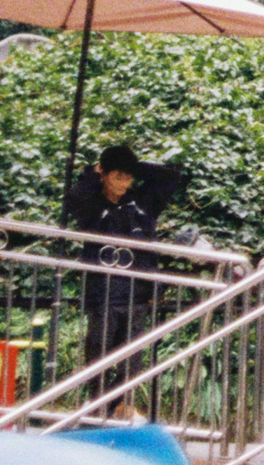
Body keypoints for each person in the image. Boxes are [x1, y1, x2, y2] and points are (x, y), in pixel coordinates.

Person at [63, 144, 189, 394]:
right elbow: (74, 198)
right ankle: (98, 406)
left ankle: (115, 405)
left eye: (128, 177)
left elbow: (171, 177)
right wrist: (95, 170)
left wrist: (131, 164)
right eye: (118, 176)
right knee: (98, 354)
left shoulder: (143, 203)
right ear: (105, 176)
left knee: (131, 360)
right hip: (103, 293)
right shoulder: (91, 205)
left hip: (137, 293)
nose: (124, 183)